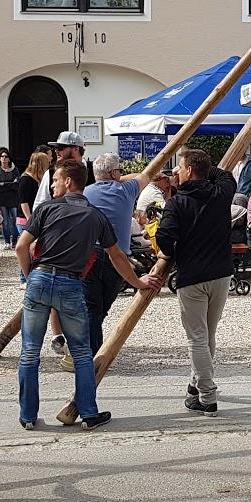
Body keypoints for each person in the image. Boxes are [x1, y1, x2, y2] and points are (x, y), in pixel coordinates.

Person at [14, 159, 156, 429]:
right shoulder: (95, 215)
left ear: (68, 181)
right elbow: (116, 255)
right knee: (81, 351)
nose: (53, 184)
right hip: (70, 283)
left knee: (30, 351)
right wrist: (137, 281)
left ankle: (28, 416)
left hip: (41, 277)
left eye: (56, 179)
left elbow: (22, 246)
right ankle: (89, 414)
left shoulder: (45, 209)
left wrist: (31, 274)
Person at [156, 149, 237, 415]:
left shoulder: (176, 203)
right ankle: (195, 386)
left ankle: (207, 395)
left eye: (179, 167)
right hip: (221, 274)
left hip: (192, 276)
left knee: (197, 338)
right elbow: (224, 175)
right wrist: (203, 165)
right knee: (207, 334)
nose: (175, 172)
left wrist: (172, 254)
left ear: (189, 170)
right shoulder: (221, 194)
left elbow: (165, 240)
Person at [82, 151, 154, 353]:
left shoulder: (85, 193)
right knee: (101, 308)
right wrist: (118, 178)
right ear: (115, 173)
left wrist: (109, 176)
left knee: (93, 308)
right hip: (118, 257)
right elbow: (145, 175)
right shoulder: (126, 190)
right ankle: (91, 351)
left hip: (89, 254)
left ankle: (87, 347)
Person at [33, 131, 95, 208]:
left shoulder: (94, 171)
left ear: (76, 149)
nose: (56, 151)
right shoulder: (50, 172)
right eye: (55, 148)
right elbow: (39, 204)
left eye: (60, 148)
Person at [0, 148, 21, 247]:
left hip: (13, 199)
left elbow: (17, 185)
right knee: (5, 221)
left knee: (15, 220)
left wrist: (4, 184)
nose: (4, 158)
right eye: (2, 156)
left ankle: (15, 241)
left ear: (9, 158)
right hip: (1, 199)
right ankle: (7, 241)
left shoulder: (15, 170)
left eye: (6, 156)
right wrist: (10, 184)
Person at [18, 150, 50, 227]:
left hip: (36, 218)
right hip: (26, 220)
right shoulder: (26, 179)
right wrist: (30, 220)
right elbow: (24, 202)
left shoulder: (38, 179)